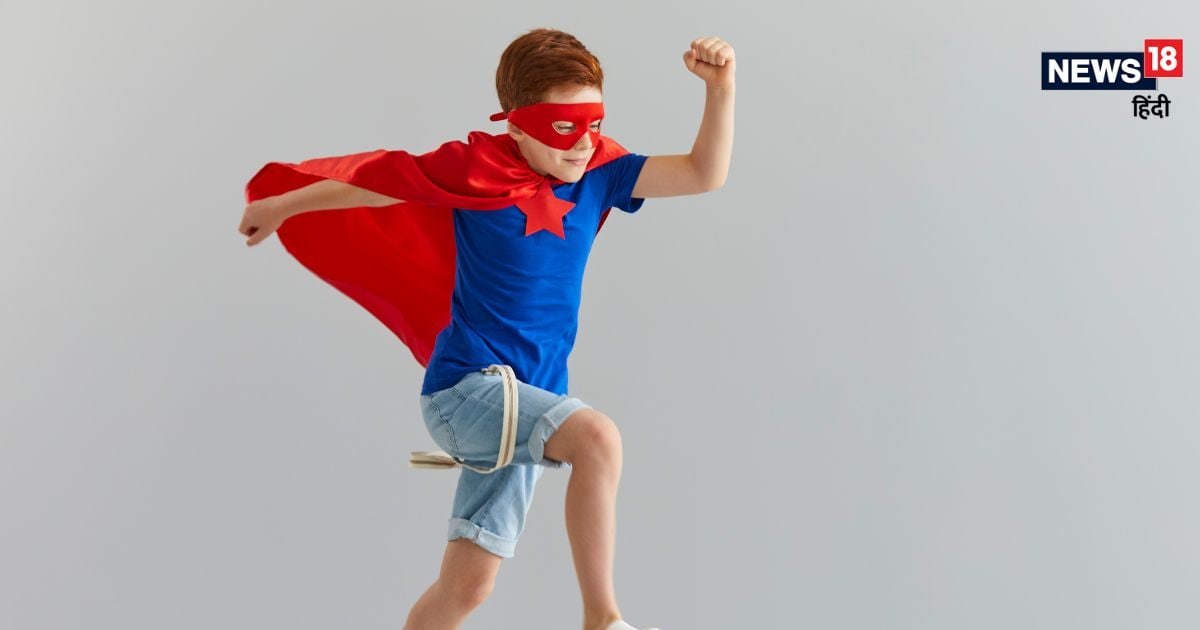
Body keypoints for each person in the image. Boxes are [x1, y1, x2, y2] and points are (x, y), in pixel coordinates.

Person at [237, 28, 734, 630]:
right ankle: (602, 618)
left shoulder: (600, 174)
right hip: (466, 391)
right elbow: (378, 182)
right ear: (517, 126)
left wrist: (720, 89)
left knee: (467, 588)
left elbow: (703, 173)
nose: (583, 143)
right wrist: (282, 206)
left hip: (530, 402)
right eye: (563, 127)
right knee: (598, 439)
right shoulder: (474, 168)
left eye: (593, 124)